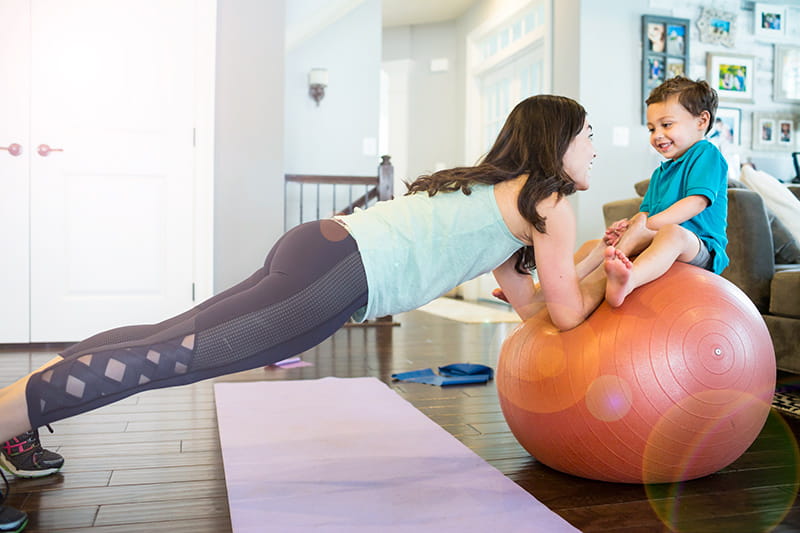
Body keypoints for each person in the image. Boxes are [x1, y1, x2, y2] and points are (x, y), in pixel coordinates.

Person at [0, 94, 607, 446]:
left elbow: (533, 309)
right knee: (172, 355)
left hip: (321, 246)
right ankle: (5, 421)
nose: (594, 149)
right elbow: (568, 314)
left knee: (159, 338)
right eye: (586, 136)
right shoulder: (550, 205)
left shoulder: (502, 197)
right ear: (555, 143)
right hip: (338, 275)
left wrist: (594, 262)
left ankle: (15, 425)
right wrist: (613, 266)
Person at [603, 77, 729, 308]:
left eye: (667, 124)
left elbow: (696, 203)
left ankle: (629, 280)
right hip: (659, 239)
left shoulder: (706, 153)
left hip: (700, 247)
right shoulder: (660, 173)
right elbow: (645, 214)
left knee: (672, 232)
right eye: (652, 128)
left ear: (702, 120)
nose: (657, 134)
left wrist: (648, 225)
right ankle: (612, 260)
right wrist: (630, 226)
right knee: (637, 221)